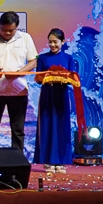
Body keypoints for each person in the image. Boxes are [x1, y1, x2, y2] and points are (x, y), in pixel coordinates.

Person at [0, 11, 37, 150]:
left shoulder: (25, 38)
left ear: (17, 28)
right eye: (4, 30)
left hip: (18, 89)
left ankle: (17, 161)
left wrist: (19, 73)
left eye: (11, 30)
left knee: (18, 129)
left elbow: (33, 61)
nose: (8, 33)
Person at [34, 28, 77, 171]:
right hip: (47, 95)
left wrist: (63, 77)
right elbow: (37, 79)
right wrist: (48, 76)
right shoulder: (42, 58)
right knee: (47, 126)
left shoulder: (68, 58)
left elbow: (73, 78)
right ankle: (47, 161)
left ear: (63, 42)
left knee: (61, 127)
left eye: (55, 42)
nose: (52, 45)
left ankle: (61, 161)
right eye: (50, 42)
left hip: (61, 96)